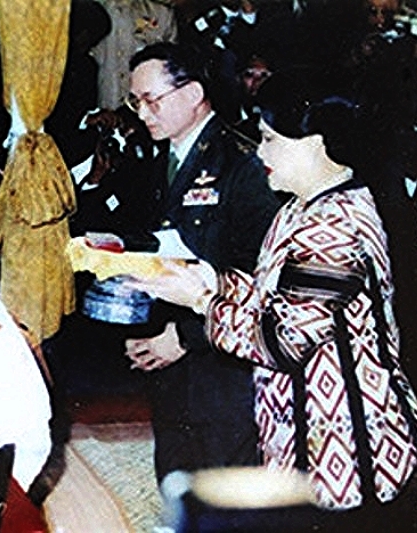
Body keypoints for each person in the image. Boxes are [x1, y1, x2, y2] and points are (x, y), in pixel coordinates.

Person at [130, 75, 417, 530]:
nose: (260, 152)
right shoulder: (302, 204)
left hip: (345, 440)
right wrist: (211, 279)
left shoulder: (336, 228)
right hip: (305, 427)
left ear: (317, 143)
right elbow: (276, 294)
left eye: (270, 139)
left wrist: (204, 300)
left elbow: (280, 342)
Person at [123, 42, 281, 498]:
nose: (142, 113)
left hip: (220, 358)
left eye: (151, 100)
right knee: (176, 471)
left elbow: (259, 270)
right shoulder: (160, 156)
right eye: (136, 102)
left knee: (225, 484)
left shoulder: (244, 162)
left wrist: (186, 336)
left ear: (192, 93)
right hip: (169, 344)